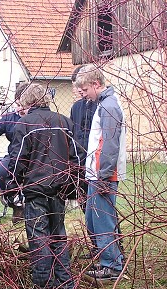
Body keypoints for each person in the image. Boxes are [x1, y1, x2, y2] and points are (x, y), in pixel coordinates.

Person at [5, 83, 81, 289]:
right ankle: (66, 288)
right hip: (58, 190)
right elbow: (75, 158)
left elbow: (17, 160)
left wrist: (12, 186)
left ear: (27, 102)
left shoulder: (24, 125)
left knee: (39, 240)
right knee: (58, 236)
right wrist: (72, 186)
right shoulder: (64, 122)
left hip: (35, 190)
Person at [74, 65, 127, 281]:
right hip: (96, 174)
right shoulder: (103, 104)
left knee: (103, 220)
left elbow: (110, 145)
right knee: (93, 220)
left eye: (85, 89)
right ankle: (109, 260)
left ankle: (112, 267)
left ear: (96, 84)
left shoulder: (109, 107)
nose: (83, 94)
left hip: (104, 175)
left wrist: (104, 175)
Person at [70, 65, 98, 213]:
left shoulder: (100, 104)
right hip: (79, 164)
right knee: (85, 206)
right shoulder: (76, 107)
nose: (80, 90)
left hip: (96, 164)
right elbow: (74, 136)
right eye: (77, 86)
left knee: (100, 208)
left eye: (82, 86)